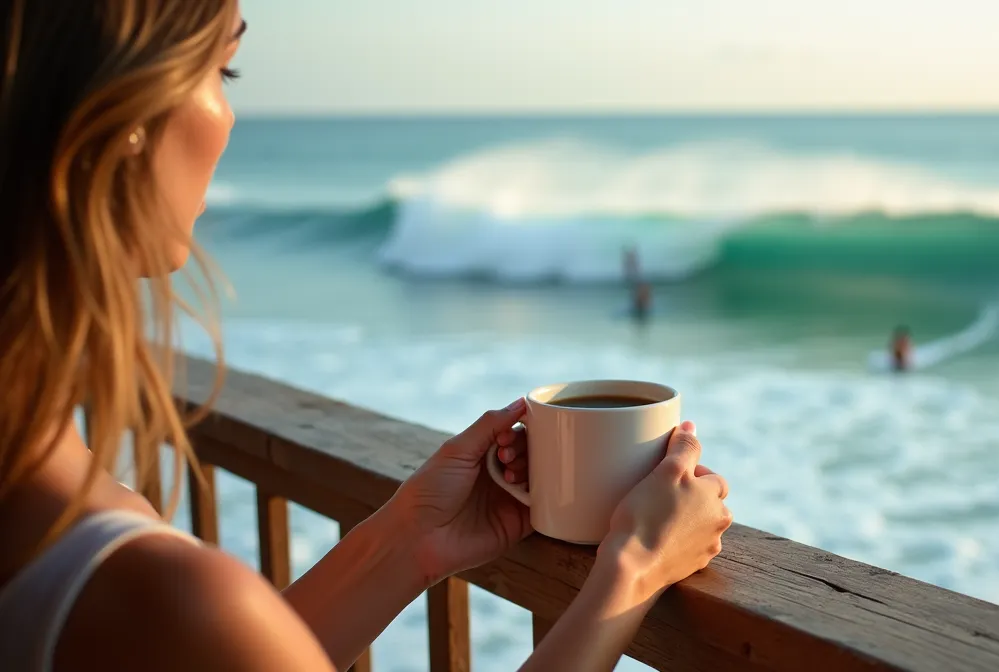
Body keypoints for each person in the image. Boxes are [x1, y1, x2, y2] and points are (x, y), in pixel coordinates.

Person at [0, 3, 733, 671]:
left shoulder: (45, 503)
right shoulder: (162, 597)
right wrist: (633, 570)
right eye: (222, 68)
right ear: (122, 108)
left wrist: (409, 540)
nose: (229, 114)